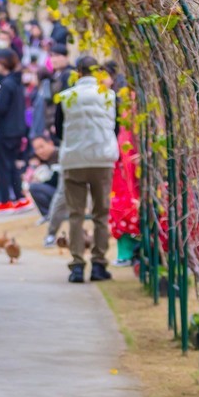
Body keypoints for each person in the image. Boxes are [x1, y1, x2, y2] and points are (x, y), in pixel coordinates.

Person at [56, 55, 119, 282]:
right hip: (102, 160)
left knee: (76, 214)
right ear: (97, 71)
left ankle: (77, 266)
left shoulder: (66, 97)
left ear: (77, 72)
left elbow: (58, 130)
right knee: (101, 214)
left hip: (74, 160)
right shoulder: (109, 96)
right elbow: (116, 126)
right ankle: (99, 264)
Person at [0, 49, 29, 212]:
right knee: (12, 165)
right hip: (17, 129)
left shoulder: (7, 83)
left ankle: (4, 200)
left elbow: (1, 108)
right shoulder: (16, 82)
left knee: (1, 166)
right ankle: (19, 197)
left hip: (5, 130)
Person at [26, 133, 60, 219]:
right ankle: (49, 215)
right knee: (34, 186)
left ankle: (49, 215)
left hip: (66, 195)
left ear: (50, 143)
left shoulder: (58, 156)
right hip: (59, 194)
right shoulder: (44, 160)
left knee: (34, 187)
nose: (40, 151)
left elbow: (57, 181)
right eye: (36, 149)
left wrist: (40, 182)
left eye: (42, 147)